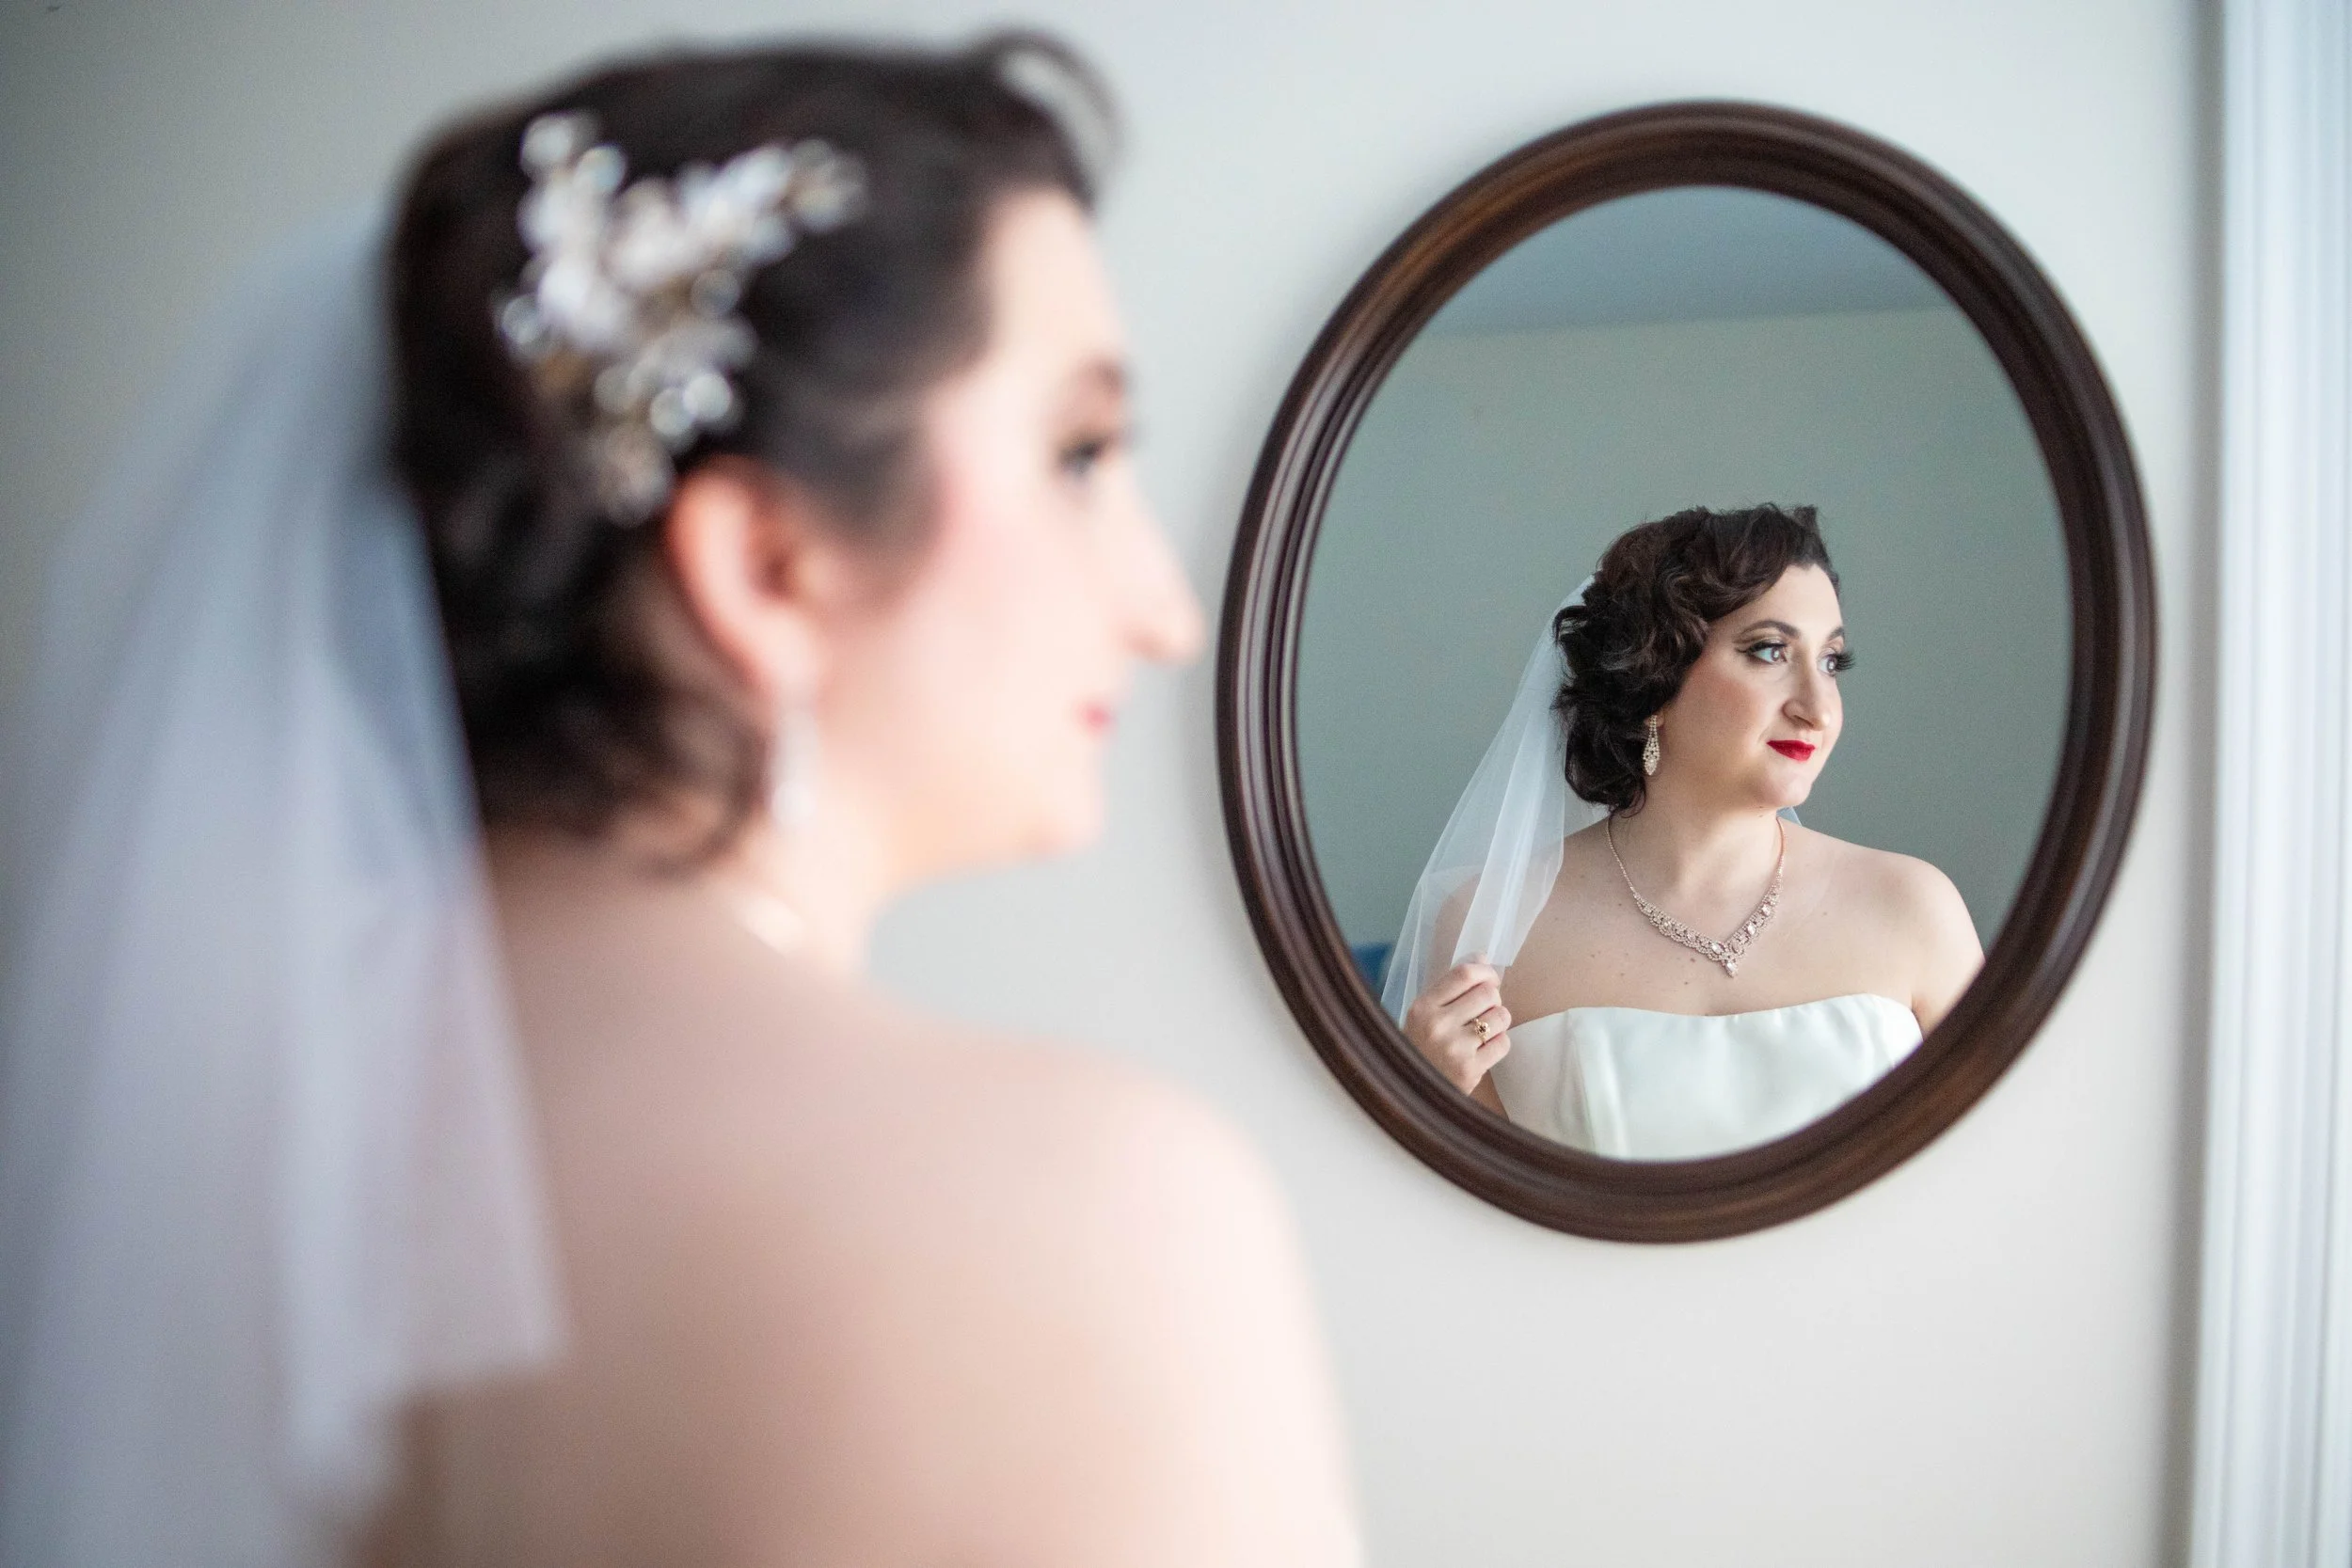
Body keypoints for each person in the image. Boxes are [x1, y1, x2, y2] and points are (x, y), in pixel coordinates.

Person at [0, 36, 1360, 1568]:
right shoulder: (1099, 1215)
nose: (1165, 610)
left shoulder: (145, 1145)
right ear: (769, 565)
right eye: (1080, 452)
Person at [1387, 505, 1982, 1159]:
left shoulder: (1915, 909)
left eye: (1833, 661)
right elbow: (1482, 1214)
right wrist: (1423, 1099)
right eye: (1769, 651)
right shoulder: (1490, 925)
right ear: (1656, 680)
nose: (1818, 707)